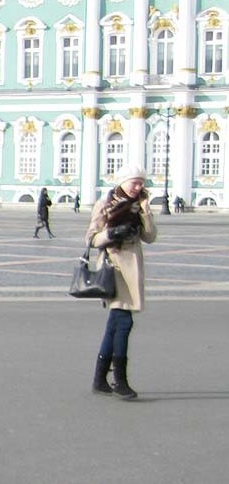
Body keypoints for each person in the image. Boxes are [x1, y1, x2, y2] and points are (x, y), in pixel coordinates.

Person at [87, 165, 156, 400]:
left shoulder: (140, 206)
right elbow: (91, 238)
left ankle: (99, 379)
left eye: (141, 183)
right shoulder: (105, 204)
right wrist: (112, 234)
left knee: (114, 325)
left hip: (132, 271)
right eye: (135, 182)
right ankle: (120, 380)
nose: (139, 187)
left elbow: (150, 237)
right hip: (114, 269)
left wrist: (145, 211)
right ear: (122, 182)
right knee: (124, 323)